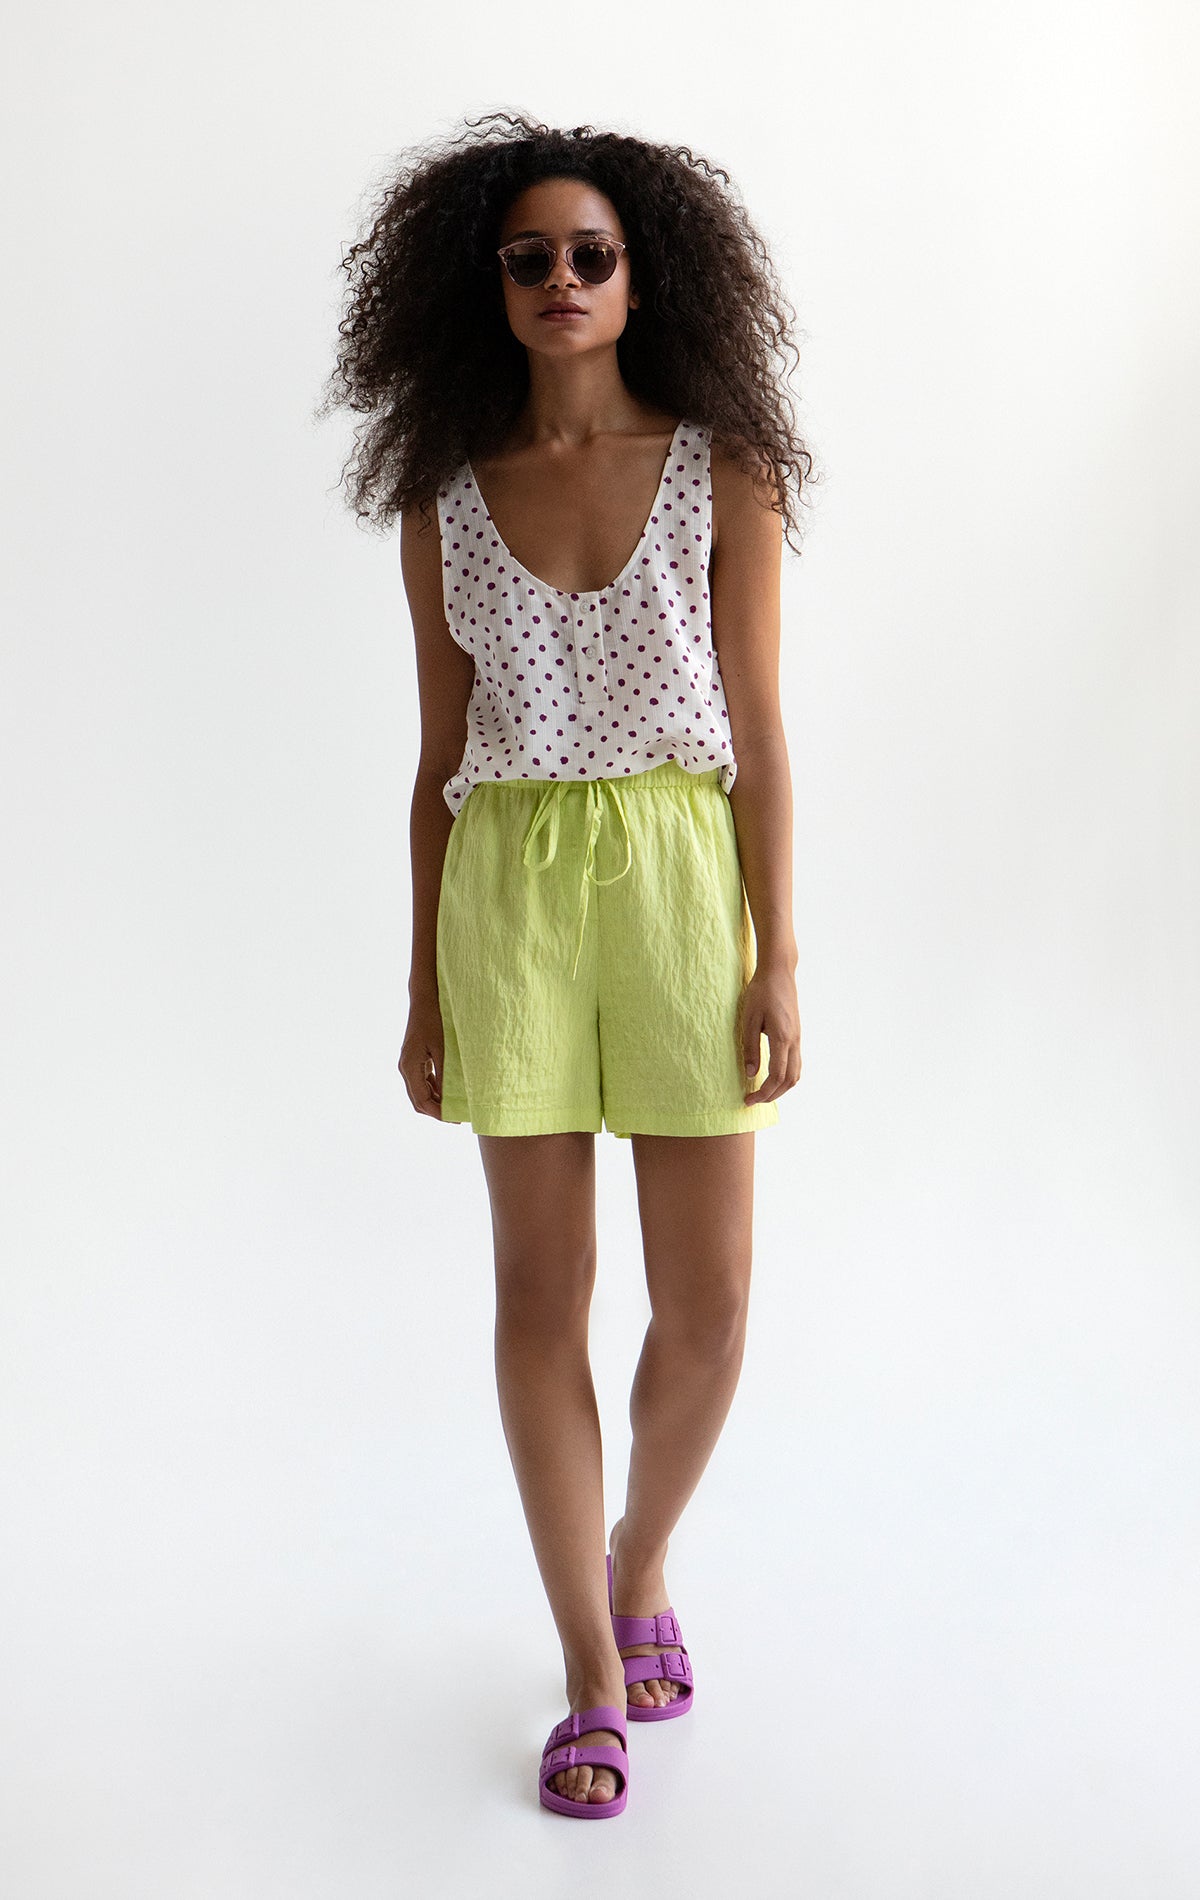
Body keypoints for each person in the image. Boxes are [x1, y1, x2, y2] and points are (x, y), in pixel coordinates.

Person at [322, 111, 813, 1819]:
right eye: (526, 257)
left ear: (639, 275)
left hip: (680, 878)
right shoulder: (446, 500)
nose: (559, 279)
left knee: (712, 1305)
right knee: (542, 1298)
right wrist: (422, 985)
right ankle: (592, 1667)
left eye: (589, 254)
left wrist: (778, 952)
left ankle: (641, 1549)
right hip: (510, 891)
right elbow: (434, 760)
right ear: (489, 286)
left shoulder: (724, 469)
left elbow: (760, 730)